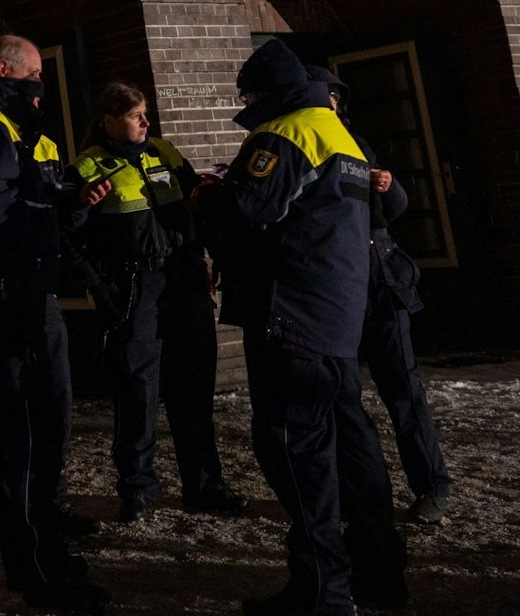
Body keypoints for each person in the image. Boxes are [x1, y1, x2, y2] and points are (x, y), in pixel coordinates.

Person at [194, 41, 406, 616]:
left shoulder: (282, 133)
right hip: (337, 318)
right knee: (353, 449)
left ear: (264, 94)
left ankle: (322, 591)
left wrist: (206, 199)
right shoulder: (342, 135)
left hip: (290, 315)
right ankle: (379, 575)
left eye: (248, 98)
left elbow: (246, 212)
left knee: (295, 451)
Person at [0, 34, 109, 614]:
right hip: (8, 292)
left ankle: (38, 540)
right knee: (27, 424)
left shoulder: (3, 122)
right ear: (5, 70)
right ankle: (39, 564)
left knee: (32, 418)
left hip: (16, 287)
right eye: (33, 75)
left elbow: (24, 201)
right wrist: (54, 208)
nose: (40, 86)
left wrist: (70, 202)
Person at [67, 81, 248, 522]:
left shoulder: (165, 153)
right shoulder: (88, 166)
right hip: (134, 288)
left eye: (146, 113)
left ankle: (204, 485)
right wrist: (99, 287)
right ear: (110, 121)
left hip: (183, 280)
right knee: (138, 390)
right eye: (136, 116)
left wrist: (214, 254)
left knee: (194, 386)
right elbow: (67, 235)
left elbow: (198, 208)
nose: (147, 122)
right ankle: (138, 489)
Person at [306, 66, 454, 527]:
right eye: (323, 96)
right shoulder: (300, 144)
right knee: (340, 399)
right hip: (336, 290)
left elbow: (394, 208)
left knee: (403, 391)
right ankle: (355, 497)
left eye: (334, 97)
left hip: (380, 283)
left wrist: (390, 187)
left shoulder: (357, 143)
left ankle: (431, 487)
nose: (330, 104)